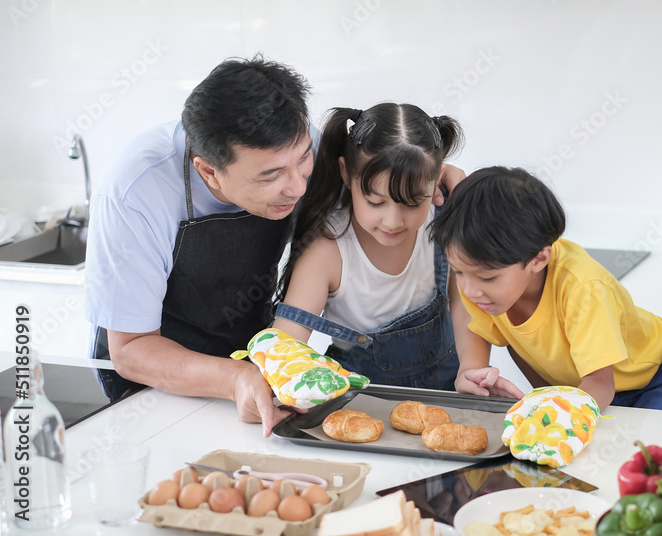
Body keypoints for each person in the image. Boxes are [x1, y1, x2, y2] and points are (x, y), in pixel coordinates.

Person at [85, 57, 462, 436]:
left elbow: (382, 178)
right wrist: (234, 378)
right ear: (208, 171)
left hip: (251, 365)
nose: (299, 188)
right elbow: (131, 349)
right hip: (157, 388)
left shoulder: (298, 149)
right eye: (271, 177)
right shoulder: (133, 193)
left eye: (303, 161)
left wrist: (434, 178)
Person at [429, 166, 662, 412]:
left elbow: (600, 383)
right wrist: (470, 372)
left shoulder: (583, 289)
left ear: (538, 259)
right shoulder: (483, 283)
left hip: (651, 379)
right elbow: (479, 329)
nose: (469, 290)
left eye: (486, 278)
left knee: (653, 459)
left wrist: (553, 414)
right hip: (580, 389)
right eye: (459, 272)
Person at [272, 103, 463, 389]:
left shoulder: (444, 221)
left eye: (412, 203)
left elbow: (464, 302)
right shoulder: (328, 250)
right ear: (346, 174)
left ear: (436, 182)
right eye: (376, 202)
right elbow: (286, 342)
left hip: (450, 388)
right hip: (360, 400)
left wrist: (472, 369)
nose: (393, 221)